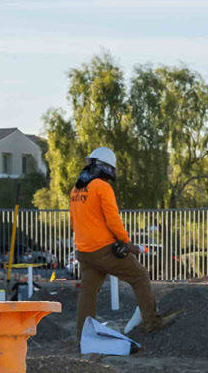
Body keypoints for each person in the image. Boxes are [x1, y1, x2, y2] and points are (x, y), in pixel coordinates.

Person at [66, 146, 171, 343]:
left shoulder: (76, 189)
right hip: (104, 249)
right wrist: (126, 243)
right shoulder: (103, 187)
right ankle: (152, 323)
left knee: (88, 293)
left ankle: (82, 336)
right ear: (107, 168)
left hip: (84, 251)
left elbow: (73, 220)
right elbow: (113, 219)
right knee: (139, 276)